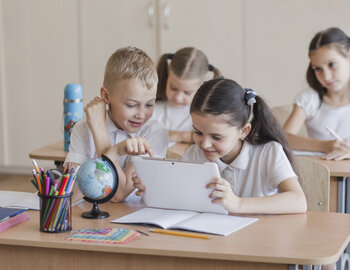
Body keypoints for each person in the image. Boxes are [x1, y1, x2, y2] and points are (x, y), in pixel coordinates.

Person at [133, 78, 307, 214]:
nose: (205, 144)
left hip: (260, 243)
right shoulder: (195, 154)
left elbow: (298, 201)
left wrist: (237, 203)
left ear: (244, 131)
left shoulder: (268, 152)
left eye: (217, 137)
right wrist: (153, 189)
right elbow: (181, 198)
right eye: (198, 132)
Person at [65, 46, 169, 202]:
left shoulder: (155, 133)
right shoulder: (83, 128)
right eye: (131, 105)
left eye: (149, 104)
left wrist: (100, 133)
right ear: (106, 96)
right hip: (92, 219)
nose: (141, 114)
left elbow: (118, 194)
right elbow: (69, 194)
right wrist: (109, 143)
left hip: (134, 216)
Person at [283, 27, 350, 160]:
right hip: (324, 176)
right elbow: (284, 137)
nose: (326, 77)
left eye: (332, 65)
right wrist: (324, 146)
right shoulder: (309, 99)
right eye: (318, 69)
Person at [153, 47, 222, 144]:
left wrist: (177, 136)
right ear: (167, 77)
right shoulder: (153, 110)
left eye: (187, 92)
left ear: (200, 87)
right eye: (173, 88)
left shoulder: (206, 116)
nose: (178, 97)